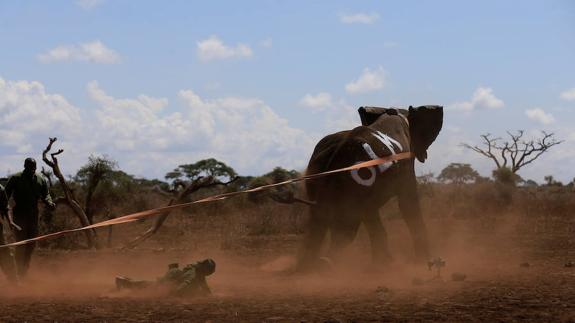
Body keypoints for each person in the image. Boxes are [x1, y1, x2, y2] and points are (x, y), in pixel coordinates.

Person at [4, 158, 55, 277]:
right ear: (24, 167)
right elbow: (5, 194)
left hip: (33, 216)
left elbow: (46, 194)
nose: (31, 170)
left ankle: (24, 270)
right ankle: (17, 273)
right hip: (19, 215)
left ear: (36, 168)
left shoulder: (40, 179)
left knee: (31, 244)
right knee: (21, 244)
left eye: (33, 168)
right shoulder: (16, 178)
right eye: (29, 168)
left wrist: (49, 202)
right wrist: (4, 210)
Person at [116, 259, 216, 297]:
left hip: (172, 277)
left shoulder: (199, 273)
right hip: (171, 280)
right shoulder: (194, 273)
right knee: (151, 287)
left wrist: (208, 294)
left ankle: (126, 280)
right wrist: (175, 293)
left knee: (150, 285)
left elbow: (204, 286)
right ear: (205, 269)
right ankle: (124, 281)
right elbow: (185, 283)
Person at [0, 184, 17, 282]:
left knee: (4, 252)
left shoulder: (0, 189)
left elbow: (6, 208)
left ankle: (13, 280)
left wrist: (10, 221)